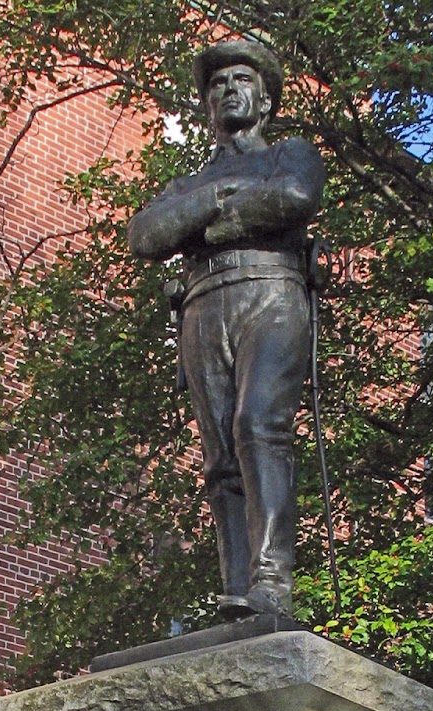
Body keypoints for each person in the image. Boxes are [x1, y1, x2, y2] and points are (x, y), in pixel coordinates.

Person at [128, 38, 325, 618]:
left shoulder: (289, 154)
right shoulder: (193, 181)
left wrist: (206, 228)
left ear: (264, 100)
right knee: (219, 455)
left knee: (257, 423)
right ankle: (237, 586)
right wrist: (219, 197)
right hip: (202, 307)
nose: (228, 90)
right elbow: (146, 236)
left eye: (240, 80)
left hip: (272, 295)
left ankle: (271, 580)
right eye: (217, 85)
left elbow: (295, 197)